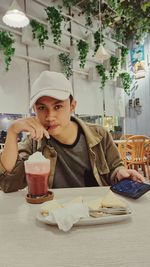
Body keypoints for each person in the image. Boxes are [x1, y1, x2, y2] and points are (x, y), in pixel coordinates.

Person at [0, 71, 145, 192]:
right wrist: (12, 132)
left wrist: (121, 173)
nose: (50, 116)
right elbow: (8, 184)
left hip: (97, 211)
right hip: (54, 213)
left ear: (72, 106)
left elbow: (115, 168)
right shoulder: (34, 142)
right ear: (34, 110)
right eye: (42, 108)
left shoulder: (100, 135)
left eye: (58, 107)